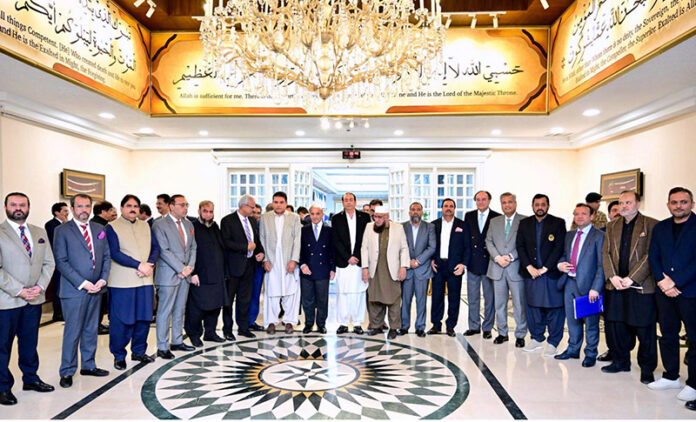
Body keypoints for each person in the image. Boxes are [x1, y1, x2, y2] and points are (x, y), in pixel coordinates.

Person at [0, 192, 56, 406]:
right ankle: (3, 387)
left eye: (22, 204)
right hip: (7, 301)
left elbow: (49, 263)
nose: (18, 208)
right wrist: (20, 290)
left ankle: (31, 379)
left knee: (30, 344)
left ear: (28, 207)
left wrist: (40, 287)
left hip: (34, 300)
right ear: (6, 207)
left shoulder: (39, 232)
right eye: (13, 204)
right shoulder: (1, 232)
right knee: (3, 346)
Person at [53, 194, 111, 388]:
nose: (84, 210)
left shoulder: (100, 229)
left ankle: (89, 365)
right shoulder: (62, 231)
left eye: (87, 206)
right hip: (74, 290)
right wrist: (84, 283)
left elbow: (106, 257)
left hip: (97, 288)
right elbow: (61, 261)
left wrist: (103, 279)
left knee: (90, 329)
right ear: (72, 208)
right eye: (79, 206)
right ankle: (67, 371)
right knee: (73, 330)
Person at [601, 190, 658, 384]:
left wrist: (632, 279)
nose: (624, 206)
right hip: (616, 285)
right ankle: (620, 361)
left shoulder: (651, 224)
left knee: (644, 329)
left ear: (638, 204)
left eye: (628, 202)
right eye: (621, 203)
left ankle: (647, 369)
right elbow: (605, 253)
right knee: (617, 325)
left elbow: (650, 255)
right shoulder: (611, 226)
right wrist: (613, 276)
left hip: (640, 287)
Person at [648, 187, 696, 405]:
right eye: (674, 202)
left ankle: (694, 383)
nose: (679, 206)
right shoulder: (660, 228)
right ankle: (671, 376)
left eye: (684, 202)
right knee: (667, 334)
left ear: (692, 204)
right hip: (664, 292)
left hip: (690, 291)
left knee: (694, 338)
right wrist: (662, 281)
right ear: (668, 205)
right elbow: (654, 257)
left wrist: (675, 282)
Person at [105, 194, 159, 371]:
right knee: (122, 320)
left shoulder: (145, 226)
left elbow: (155, 247)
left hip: (145, 280)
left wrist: (149, 264)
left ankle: (138, 352)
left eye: (135, 206)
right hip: (123, 282)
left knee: (144, 318)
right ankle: (119, 355)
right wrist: (138, 265)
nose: (133, 209)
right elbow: (115, 253)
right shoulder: (112, 227)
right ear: (121, 208)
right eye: (129, 206)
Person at [555, 203, 605, 368]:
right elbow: (563, 255)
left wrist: (596, 288)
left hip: (589, 286)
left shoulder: (599, 236)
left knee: (591, 322)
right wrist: (560, 264)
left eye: (584, 214)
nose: (580, 217)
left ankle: (590, 353)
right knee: (572, 320)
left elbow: (601, 265)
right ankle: (573, 349)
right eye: (576, 214)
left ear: (591, 216)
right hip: (569, 282)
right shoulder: (569, 235)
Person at [516, 194, 566, 356]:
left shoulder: (558, 223)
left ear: (548, 206)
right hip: (531, 273)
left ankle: (553, 342)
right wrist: (529, 267)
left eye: (543, 204)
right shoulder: (524, 223)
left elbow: (559, 247)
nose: (540, 207)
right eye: (537, 204)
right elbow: (520, 246)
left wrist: (545, 268)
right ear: (532, 206)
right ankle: (536, 338)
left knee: (554, 308)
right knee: (533, 307)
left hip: (550, 273)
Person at [153, 195, 197, 359]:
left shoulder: (188, 224)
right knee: (165, 311)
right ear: (171, 206)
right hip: (168, 275)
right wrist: (180, 268)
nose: (185, 208)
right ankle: (162, 346)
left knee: (180, 309)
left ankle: (177, 341)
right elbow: (164, 250)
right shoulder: (160, 225)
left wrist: (189, 268)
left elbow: (193, 248)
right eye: (182, 205)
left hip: (184, 274)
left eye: (187, 204)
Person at [486, 192, 527, 347]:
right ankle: (502, 333)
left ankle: (521, 334)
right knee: (500, 304)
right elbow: (488, 241)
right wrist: (497, 257)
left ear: (515, 203)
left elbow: (525, 244)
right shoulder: (494, 221)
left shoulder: (524, 221)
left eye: (510, 202)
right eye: (504, 202)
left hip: (515, 268)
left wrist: (510, 256)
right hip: (497, 268)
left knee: (519, 304)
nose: (507, 205)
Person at [361, 206, 409, 339]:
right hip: (374, 269)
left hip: (392, 269)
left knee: (393, 299)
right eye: (375, 216)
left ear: (387, 216)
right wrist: (365, 267)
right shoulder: (369, 227)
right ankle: (376, 326)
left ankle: (393, 327)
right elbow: (364, 248)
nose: (376, 219)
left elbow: (404, 248)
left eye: (379, 217)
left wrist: (403, 266)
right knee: (375, 298)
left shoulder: (398, 228)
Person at [221, 195, 265, 340]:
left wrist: (260, 252)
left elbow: (256, 240)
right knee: (229, 300)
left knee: (245, 299)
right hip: (233, 267)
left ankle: (243, 327)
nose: (254, 210)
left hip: (249, 266)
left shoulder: (252, 220)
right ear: (243, 206)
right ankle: (227, 329)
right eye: (252, 207)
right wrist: (244, 247)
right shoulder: (228, 221)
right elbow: (226, 243)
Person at [185, 201, 227, 346]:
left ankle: (210, 332)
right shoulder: (193, 227)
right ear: (199, 211)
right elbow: (189, 251)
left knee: (215, 306)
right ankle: (194, 334)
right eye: (205, 211)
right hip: (200, 274)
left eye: (211, 211)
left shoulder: (215, 227)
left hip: (216, 274)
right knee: (197, 308)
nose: (208, 214)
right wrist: (193, 272)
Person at [260, 192, 302, 334]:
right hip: (272, 260)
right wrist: (265, 259)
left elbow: (297, 240)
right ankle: (271, 321)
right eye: (276, 202)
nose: (278, 205)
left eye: (281, 202)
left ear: (286, 203)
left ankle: (289, 321)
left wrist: (294, 260)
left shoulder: (294, 218)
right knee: (272, 291)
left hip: (288, 259)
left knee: (290, 292)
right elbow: (262, 239)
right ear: (272, 203)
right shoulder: (265, 217)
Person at [331, 192, 371, 334]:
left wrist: (357, 256)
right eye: (346, 200)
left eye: (351, 200)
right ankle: (342, 323)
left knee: (359, 293)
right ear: (342, 203)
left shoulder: (365, 217)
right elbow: (335, 241)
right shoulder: (336, 219)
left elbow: (366, 240)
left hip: (359, 262)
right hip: (344, 262)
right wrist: (348, 256)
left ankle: (358, 323)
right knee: (343, 293)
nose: (348, 202)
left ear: (355, 202)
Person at [430, 198, 470, 337]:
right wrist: (431, 260)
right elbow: (430, 245)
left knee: (454, 298)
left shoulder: (463, 225)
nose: (448, 208)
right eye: (446, 206)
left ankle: (451, 326)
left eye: (451, 206)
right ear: (441, 208)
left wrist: (463, 264)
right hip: (438, 265)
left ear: (454, 209)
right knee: (436, 296)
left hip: (455, 267)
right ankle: (436, 324)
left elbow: (468, 247)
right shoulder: (433, 225)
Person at [463, 190, 500, 338]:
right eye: (478, 199)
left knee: (489, 298)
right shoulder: (469, 216)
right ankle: (473, 326)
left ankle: (487, 328)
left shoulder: (497, 217)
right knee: (472, 297)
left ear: (489, 200)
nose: (481, 202)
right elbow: (466, 240)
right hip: (472, 263)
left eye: (484, 199)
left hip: (489, 263)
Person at [399, 202, 436, 337]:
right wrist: (408, 262)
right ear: (409, 212)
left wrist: (418, 261)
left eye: (418, 209)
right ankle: (404, 326)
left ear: (422, 212)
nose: (416, 212)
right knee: (405, 299)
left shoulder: (430, 227)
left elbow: (432, 247)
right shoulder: (402, 227)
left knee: (421, 300)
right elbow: (400, 247)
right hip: (407, 269)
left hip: (422, 269)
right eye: (413, 209)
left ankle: (420, 327)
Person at [299, 205, 335, 334]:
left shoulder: (329, 230)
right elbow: (300, 250)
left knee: (322, 299)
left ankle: (321, 324)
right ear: (309, 214)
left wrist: (333, 269)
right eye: (312, 214)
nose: (315, 216)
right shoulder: (304, 230)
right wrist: (302, 264)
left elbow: (332, 251)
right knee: (307, 299)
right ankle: (308, 324)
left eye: (317, 214)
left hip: (323, 269)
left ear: (322, 214)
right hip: (307, 270)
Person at [91, 200, 116, 334]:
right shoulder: (100, 226)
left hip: (98, 268)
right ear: (104, 211)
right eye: (111, 210)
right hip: (100, 268)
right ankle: (96, 324)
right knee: (98, 300)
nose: (112, 213)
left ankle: (97, 323)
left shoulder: (96, 224)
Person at [45, 202, 70, 321]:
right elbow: (55, 242)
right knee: (58, 286)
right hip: (57, 261)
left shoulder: (69, 224)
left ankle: (66, 311)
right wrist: (65, 225)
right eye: (65, 211)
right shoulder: (51, 225)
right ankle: (58, 313)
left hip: (69, 261)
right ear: (57, 213)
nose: (67, 213)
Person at [248, 203, 265, 331]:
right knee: (245, 295)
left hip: (258, 265)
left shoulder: (263, 227)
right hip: (245, 264)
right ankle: (244, 321)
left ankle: (251, 321)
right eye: (253, 212)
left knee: (255, 294)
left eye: (258, 213)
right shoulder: (245, 225)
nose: (256, 215)